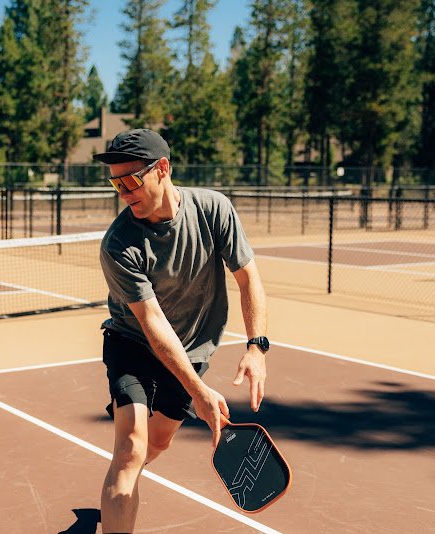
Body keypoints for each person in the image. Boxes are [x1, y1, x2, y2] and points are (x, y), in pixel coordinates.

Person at [93, 129, 269, 533]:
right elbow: (153, 325)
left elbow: (248, 279)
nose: (123, 191)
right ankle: (121, 481)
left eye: (131, 180)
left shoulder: (213, 209)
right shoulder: (119, 244)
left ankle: (123, 479)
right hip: (132, 343)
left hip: (193, 348)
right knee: (131, 448)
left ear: (163, 170)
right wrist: (199, 391)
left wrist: (257, 346)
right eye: (116, 183)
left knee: (156, 444)